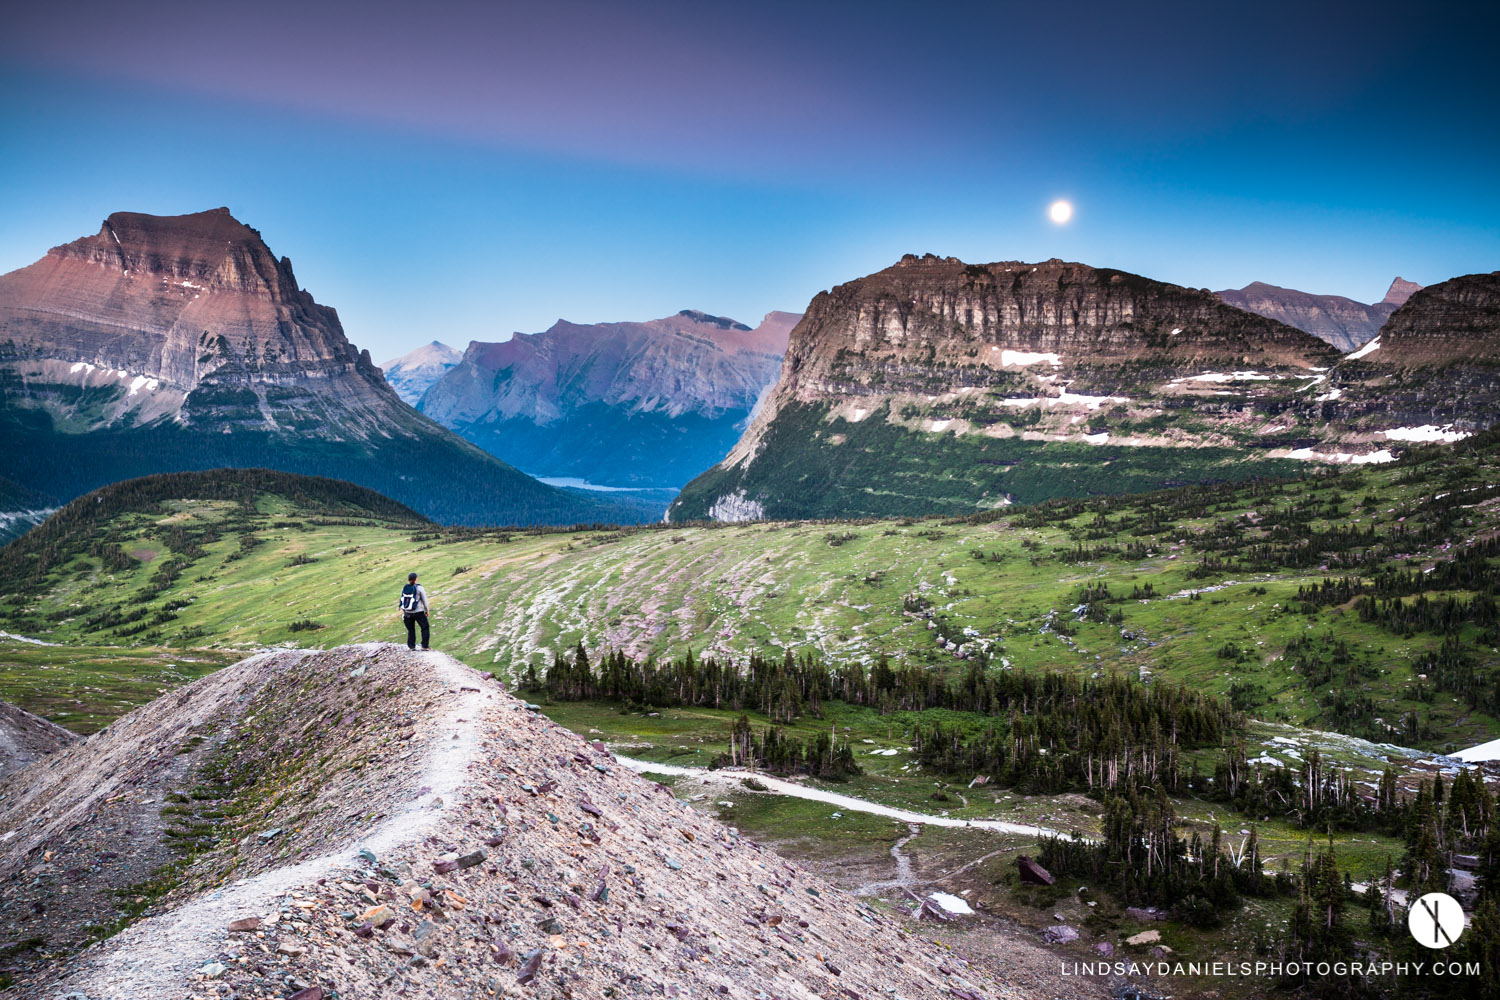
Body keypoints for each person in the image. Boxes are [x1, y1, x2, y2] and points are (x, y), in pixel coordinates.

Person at [399, 572, 430, 650]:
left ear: (408, 580)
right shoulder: (419, 588)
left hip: (407, 612)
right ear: (416, 579)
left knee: (411, 629)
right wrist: (427, 610)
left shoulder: (404, 588)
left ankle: (411, 646)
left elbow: (402, 599)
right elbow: (424, 600)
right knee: (425, 627)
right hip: (418, 611)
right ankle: (424, 646)